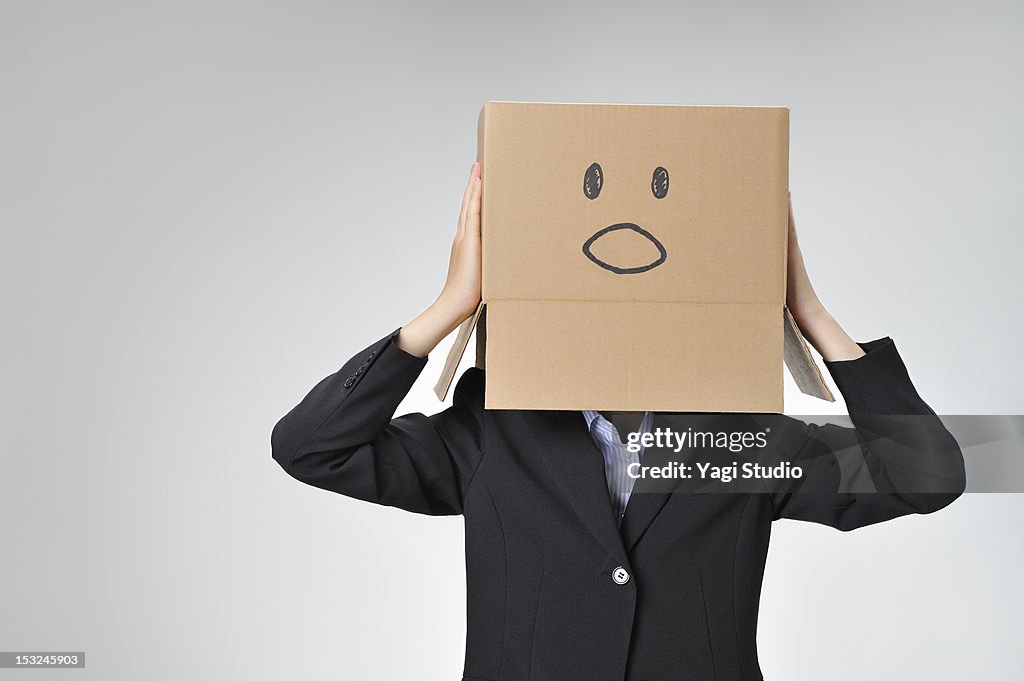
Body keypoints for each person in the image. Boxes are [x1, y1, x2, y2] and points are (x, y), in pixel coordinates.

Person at [270, 162, 966, 681]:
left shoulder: (741, 438)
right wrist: (452, 304)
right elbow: (310, 447)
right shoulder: (491, 433)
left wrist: (807, 310)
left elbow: (927, 476)